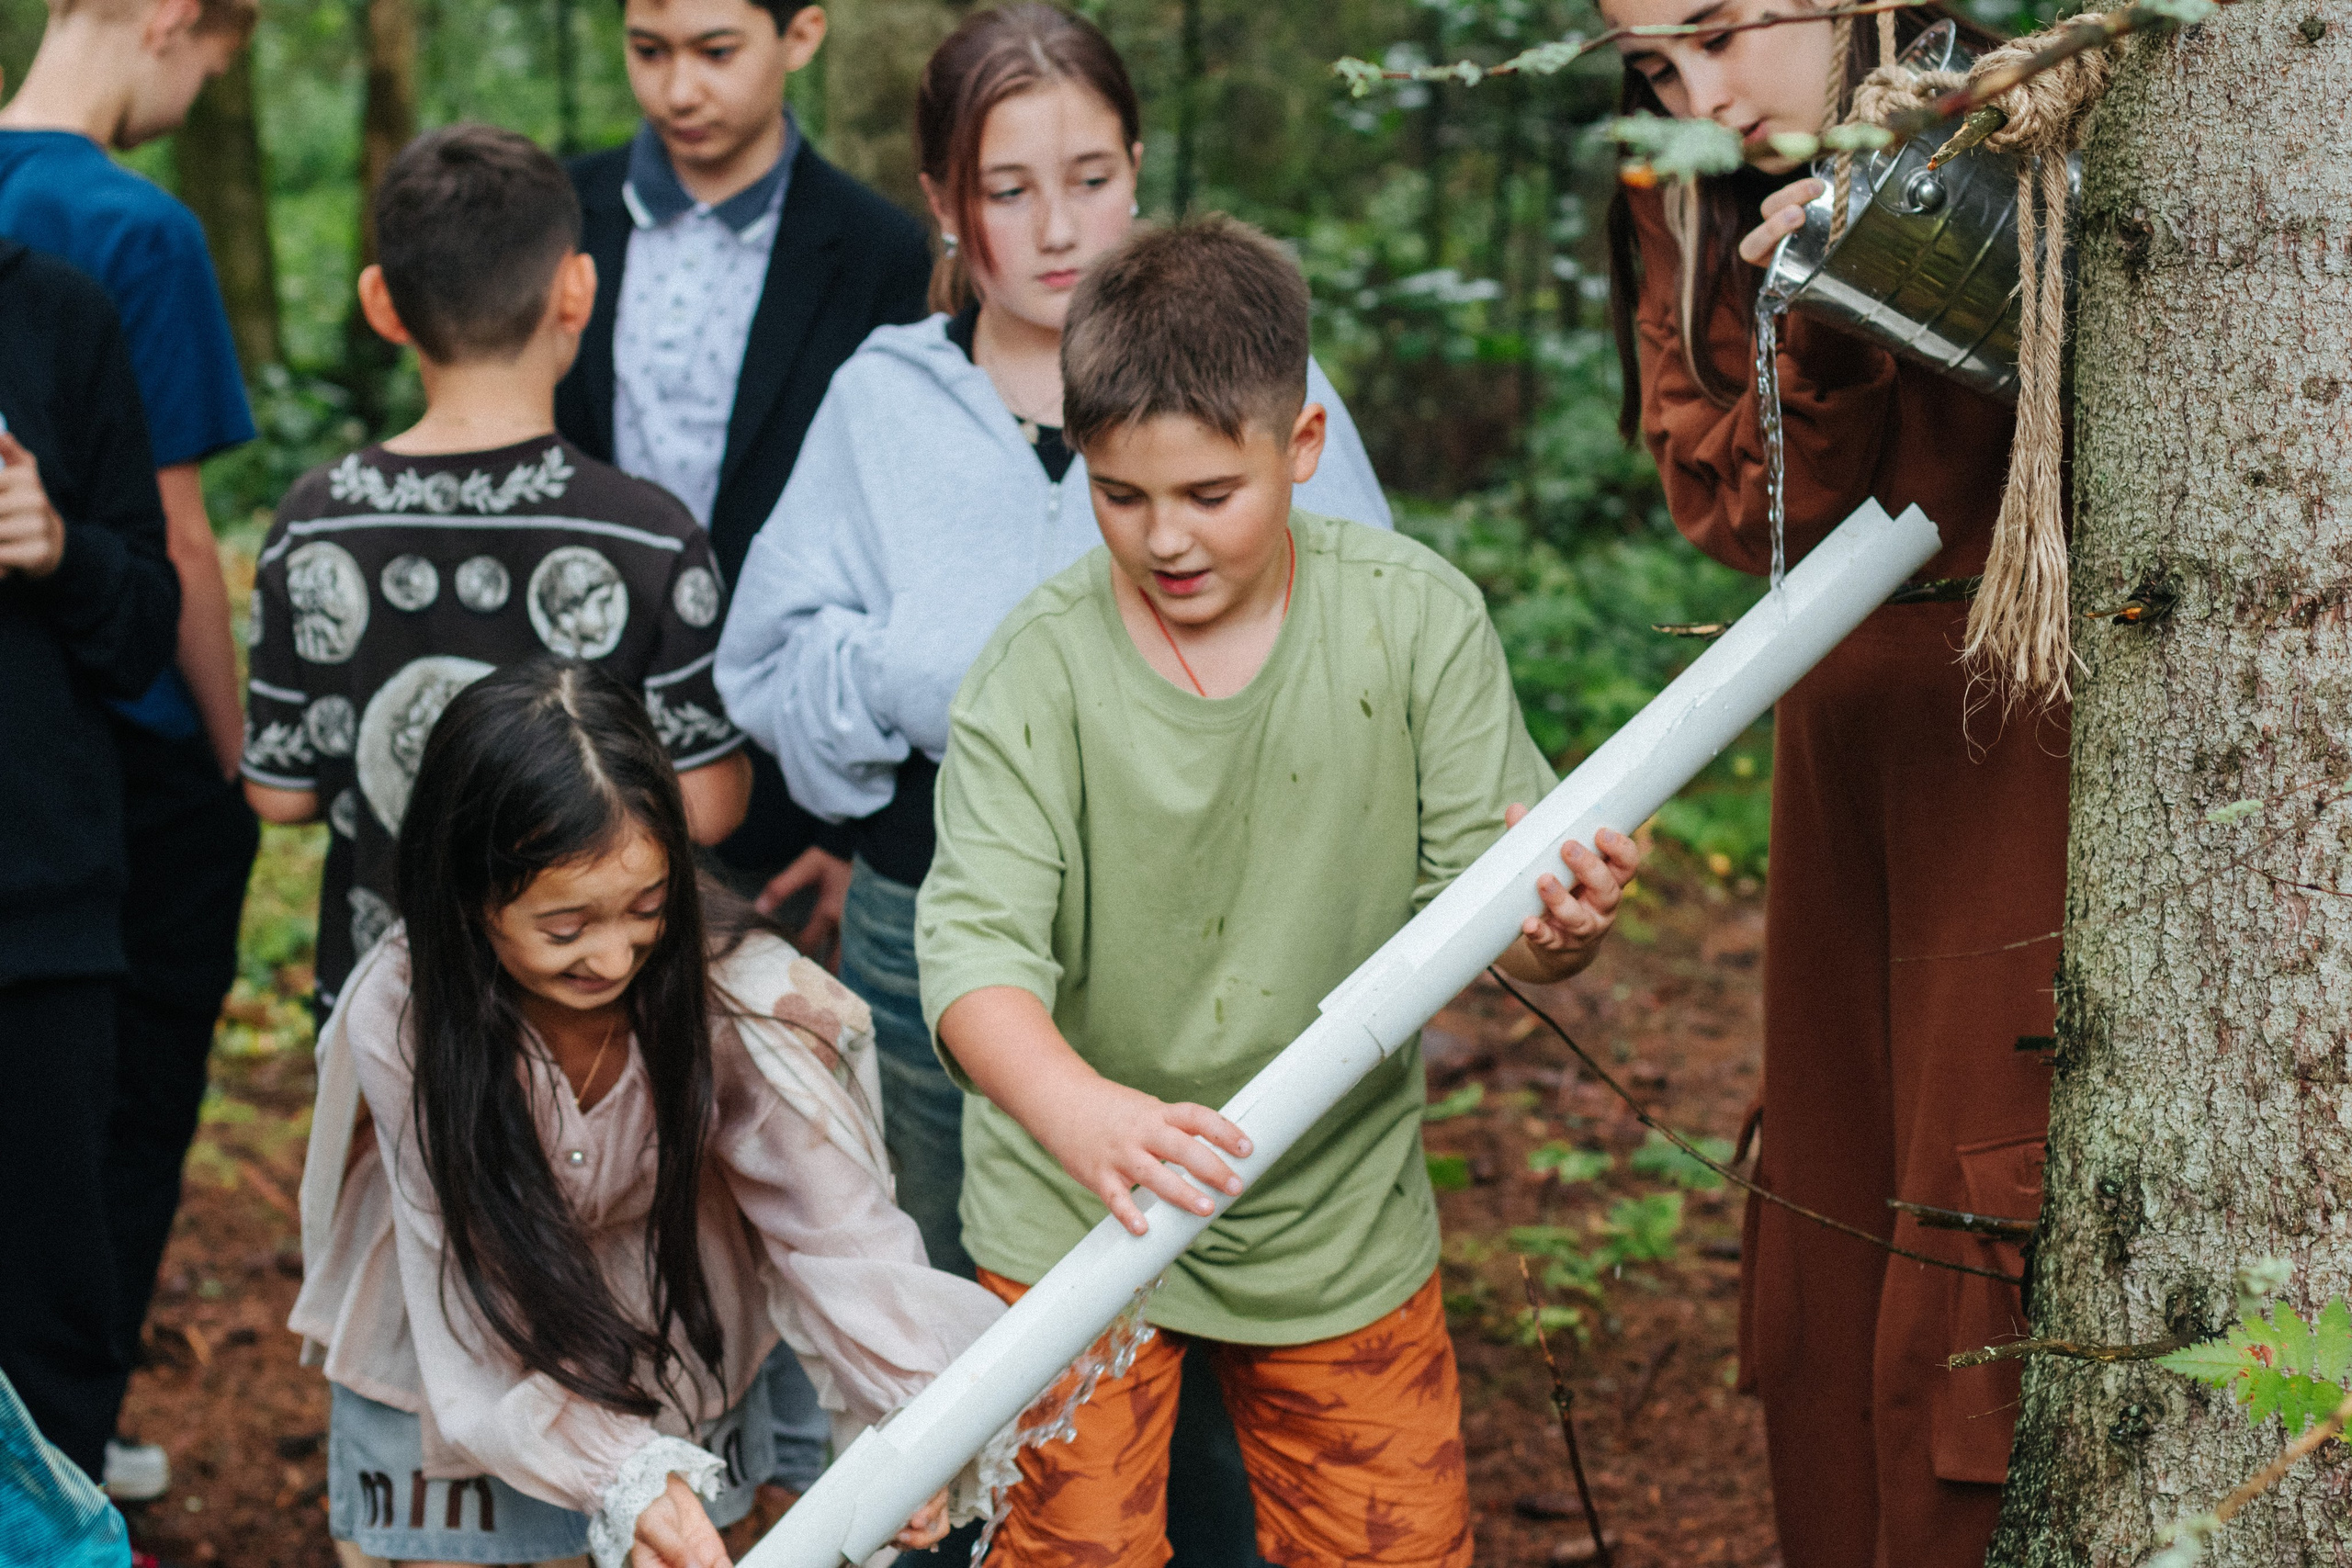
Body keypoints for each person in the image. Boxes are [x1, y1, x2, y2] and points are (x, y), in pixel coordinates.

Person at [918, 214, 1640, 1567]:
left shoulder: (1415, 620)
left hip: (1330, 1200)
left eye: (1208, 494)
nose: (1163, 538)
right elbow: (970, 958)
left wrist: (1560, 929)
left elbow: (1496, 921)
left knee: (1395, 1547)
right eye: (1122, 495)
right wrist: (1085, 1116)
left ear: (1300, 446)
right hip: (1080, 1198)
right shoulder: (1034, 669)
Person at [1599, 3, 2064, 1565]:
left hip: (2024, 755)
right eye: (1654, 64)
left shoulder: (2030, 116)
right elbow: (1732, 503)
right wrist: (1824, 317)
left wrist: (1923, 224)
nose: (1699, 93)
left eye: (1722, 32)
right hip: (1835, 760)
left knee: (1971, 1213)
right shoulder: (1677, 184)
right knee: (1836, 1203)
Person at [288, 656, 1003, 1568]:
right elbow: (478, 1274)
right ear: (467, 899)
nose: (616, 956)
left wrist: (908, 1407)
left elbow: (833, 1224)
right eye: (565, 927)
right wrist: (619, 1469)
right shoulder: (406, 1009)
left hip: (664, 1299)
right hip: (473, 1312)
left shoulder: (736, 997)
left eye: (647, 909)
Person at [242, 125, 756, 1023]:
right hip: (590, 1016)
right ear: (577, 290)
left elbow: (279, 794)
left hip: (387, 1008)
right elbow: (706, 806)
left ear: (382, 303)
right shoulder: (649, 534)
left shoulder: (314, 519)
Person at [0, 0, 263, 1502]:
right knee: (99, 1139)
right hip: (118, 778)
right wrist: (238, 764)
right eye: (215, 59)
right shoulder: (135, 227)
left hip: (44, 764)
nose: (198, 88)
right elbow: (176, 535)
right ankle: (61, 1455)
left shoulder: (34, 232)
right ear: (173, 18)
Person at [557, 0, 934, 961]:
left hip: (780, 773)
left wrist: (849, 838)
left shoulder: (880, 252)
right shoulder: (560, 213)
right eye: (649, 52)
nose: (679, 90)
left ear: (799, 36)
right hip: (568, 736)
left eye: (715, 52)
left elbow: (894, 535)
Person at [0, 236, 180, 1489]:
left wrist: (60, 545)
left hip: (39, 911)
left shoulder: (58, 312)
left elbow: (144, 627)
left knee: (50, 1298)